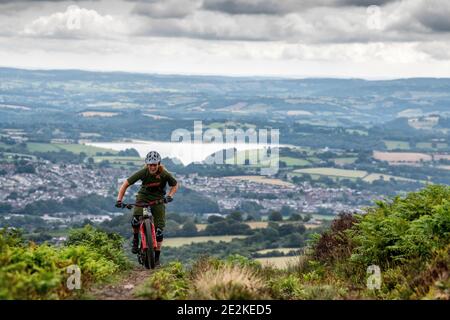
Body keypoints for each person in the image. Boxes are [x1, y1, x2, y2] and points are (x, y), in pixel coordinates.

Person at [115, 151, 178, 266]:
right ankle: (135, 239)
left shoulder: (164, 174)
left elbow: (175, 184)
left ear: (159, 164)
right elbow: (125, 184)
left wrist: (169, 196)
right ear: (147, 164)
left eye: (155, 164)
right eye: (150, 165)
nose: (152, 167)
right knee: (135, 220)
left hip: (158, 199)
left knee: (159, 232)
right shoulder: (143, 172)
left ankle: (157, 257)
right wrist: (119, 200)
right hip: (143, 197)